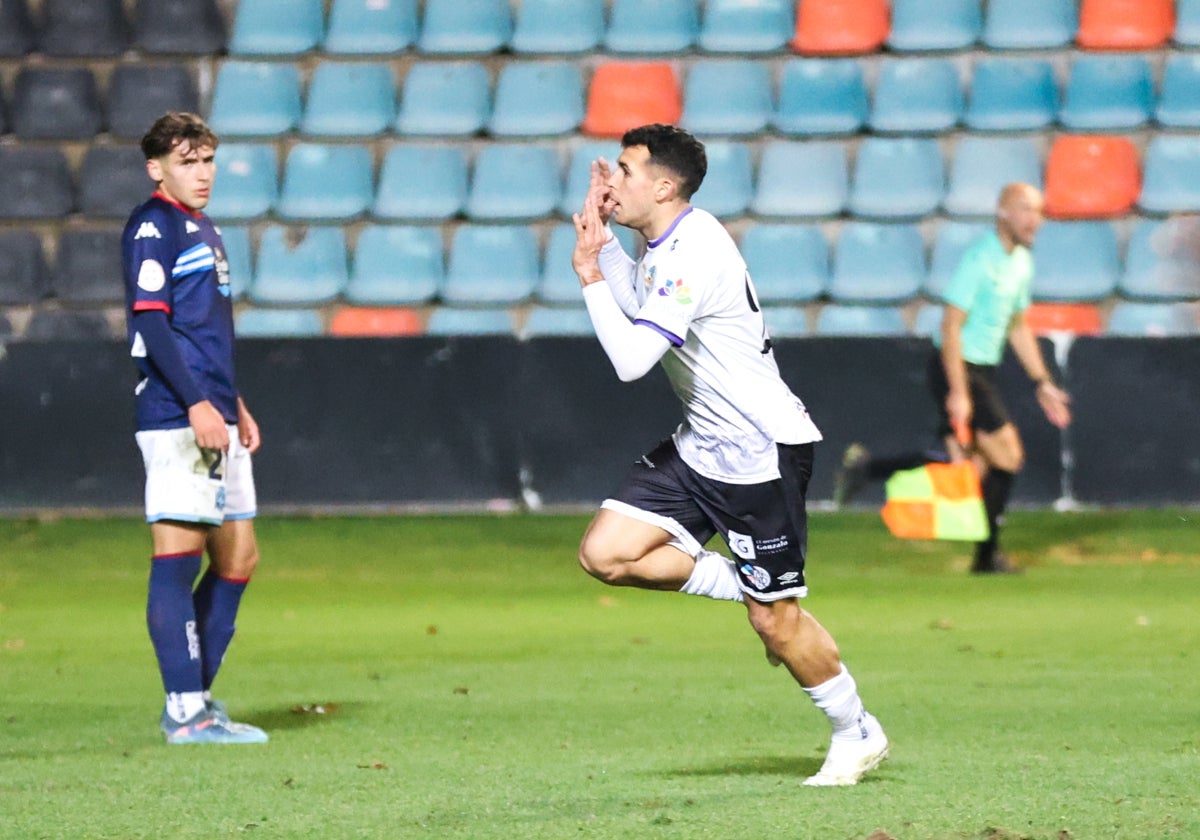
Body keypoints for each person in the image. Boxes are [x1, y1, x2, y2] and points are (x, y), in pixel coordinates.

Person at [571, 124, 888, 787]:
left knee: (776, 624)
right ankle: (744, 581)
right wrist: (604, 250)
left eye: (625, 170)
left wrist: (588, 277)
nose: (612, 180)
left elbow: (631, 360)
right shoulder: (667, 240)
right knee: (606, 553)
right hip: (701, 446)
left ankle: (855, 730)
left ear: (664, 185)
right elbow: (640, 301)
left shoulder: (690, 254)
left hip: (757, 452)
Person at [835, 183, 1072, 574]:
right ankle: (986, 556)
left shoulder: (1021, 263)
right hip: (958, 367)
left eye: (1040, 212)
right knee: (1008, 457)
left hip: (981, 370)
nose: (1036, 220)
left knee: (969, 463)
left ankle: (870, 468)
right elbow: (951, 324)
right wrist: (959, 391)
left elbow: (1017, 326)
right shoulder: (981, 259)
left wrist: (1041, 380)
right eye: (1027, 210)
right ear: (1003, 212)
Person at [122, 112, 268, 744]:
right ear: (157, 168)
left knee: (238, 557)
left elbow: (201, 331)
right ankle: (184, 710)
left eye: (208, 159)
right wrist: (197, 405)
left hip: (214, 409)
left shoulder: (201, 227)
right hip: (178, 414)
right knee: (177, 555)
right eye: (188, 161)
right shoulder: (153, 225)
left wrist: (232, 400)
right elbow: (152, 325)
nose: (203, 172)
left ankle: (196, 699)